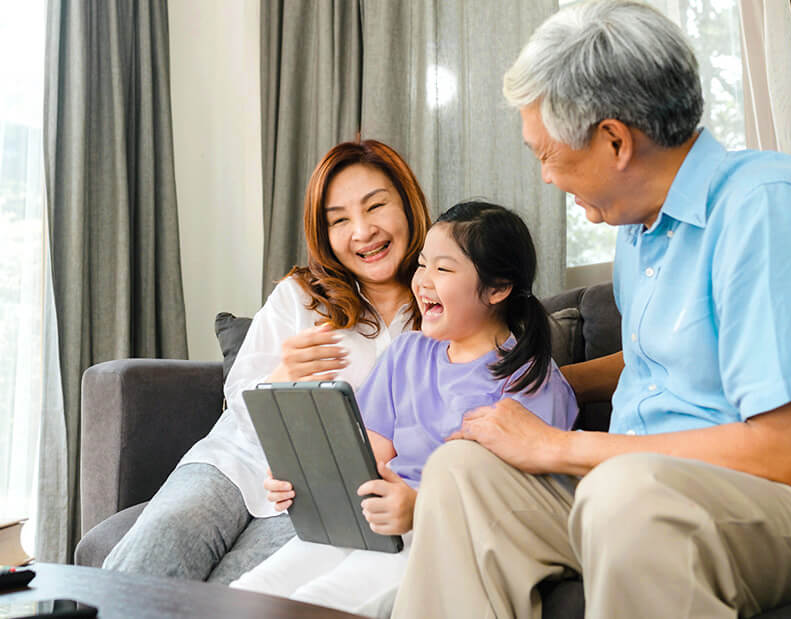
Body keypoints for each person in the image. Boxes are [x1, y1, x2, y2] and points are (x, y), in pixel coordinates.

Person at [391, 0, 791, 619]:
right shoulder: (641, 236)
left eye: (546, 153)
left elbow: (787, 454)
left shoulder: (766, 206)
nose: (547, 178)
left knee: (626, 495)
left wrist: (558, 445)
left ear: (614, 140)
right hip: (651, 497)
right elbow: (671, 354)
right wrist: (539, 379)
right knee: (460, 473)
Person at [102, 140, 431, 582]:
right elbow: (238, 397)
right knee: (152, 551)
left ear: (408, 205)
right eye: (340, 220)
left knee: (239, 591)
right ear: (324, 233)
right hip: (236, 461)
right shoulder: (301, 295)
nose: (362, 231)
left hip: (319, 492)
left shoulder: (441, 306)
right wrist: (282, 377)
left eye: (375, 207)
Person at [230, 201, 578, 617]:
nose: (423, 282)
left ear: (497, 288)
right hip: (369, 521)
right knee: (246, 595)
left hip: (438, 535)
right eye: (422, 265)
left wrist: (416, 505)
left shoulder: (528, 379)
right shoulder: (408, 352)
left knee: (321, 603)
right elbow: (369, 451)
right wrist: (308, 477)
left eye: (443, 270)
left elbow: (513, 503)